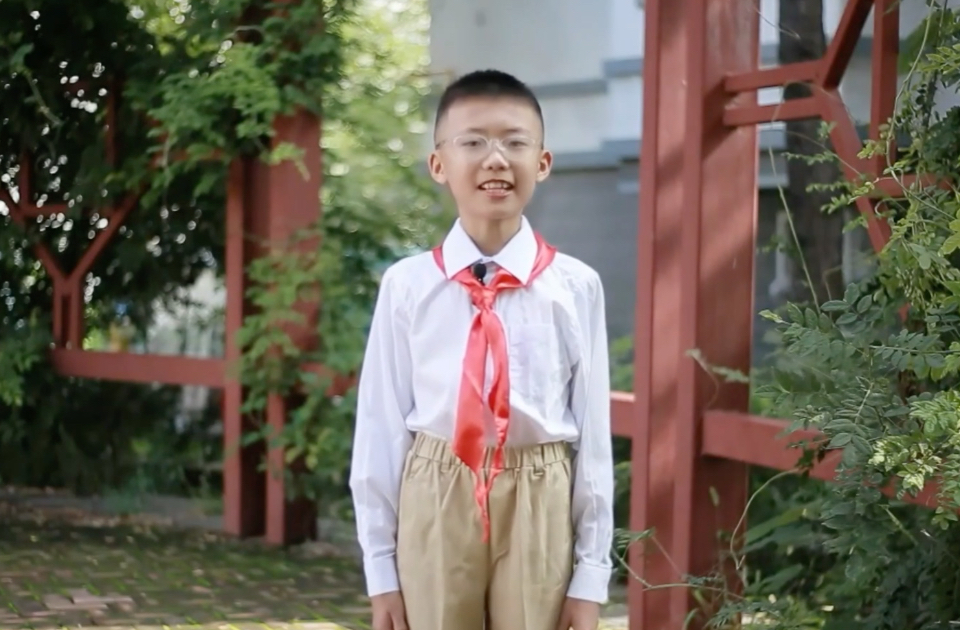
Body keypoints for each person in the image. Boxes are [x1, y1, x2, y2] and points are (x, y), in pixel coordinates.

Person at [349, 69, 614, 630]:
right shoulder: (407, 286)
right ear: (438, 164)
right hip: (436, 488)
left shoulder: (575, 286)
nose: (496, 160)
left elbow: (593, 437)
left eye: (515, 142)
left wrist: (590, 577)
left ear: (542, 162)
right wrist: (381, 572)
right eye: (472, 142)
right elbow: (380, 428)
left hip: (540, 491)